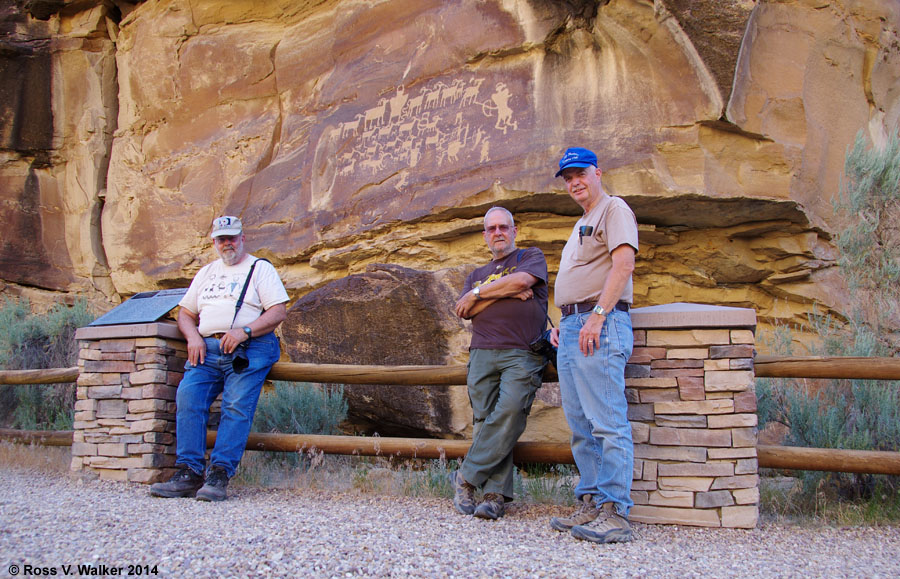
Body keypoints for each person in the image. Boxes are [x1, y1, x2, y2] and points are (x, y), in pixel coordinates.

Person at [150, 216, 289, 502]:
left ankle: (219, 474)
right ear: (214, 242)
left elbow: (277, 312)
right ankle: (189, 471)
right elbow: (186, 314)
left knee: (236, 405)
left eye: (232, 238)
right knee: (188, 398)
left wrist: (245, 331)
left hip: (250, 347)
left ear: (242, 238)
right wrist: (193, 337)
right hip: (208, 348)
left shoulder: (259, 269)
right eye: (222, 239)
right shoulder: (206, 273)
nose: (228, 243)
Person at [548, 147, 638, 543]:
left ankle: (615, 511)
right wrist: (566, 318)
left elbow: (623, 266)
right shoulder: (582, 221)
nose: (574, 183)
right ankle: (590, 500)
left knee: (607, 422)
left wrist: (597, 315)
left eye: (579, 173)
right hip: (573, 326)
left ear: (598, 172)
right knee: (581, 425)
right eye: (567, 178)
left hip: (598, 324)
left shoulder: (613, 209)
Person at [451, 207, 549, 519]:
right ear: (484, 235)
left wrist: (480, 294)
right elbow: (465, 311)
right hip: (481, 352)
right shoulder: (474, 274)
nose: (498, 233)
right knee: (485, 421)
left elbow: (521, 282)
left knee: (508, 413)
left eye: (503, 227)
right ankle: (493, 497)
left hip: (521, 352)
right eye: (491, 229)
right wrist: (500, 295)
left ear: (514, 230)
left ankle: (466, 477)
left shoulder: (530, 257)